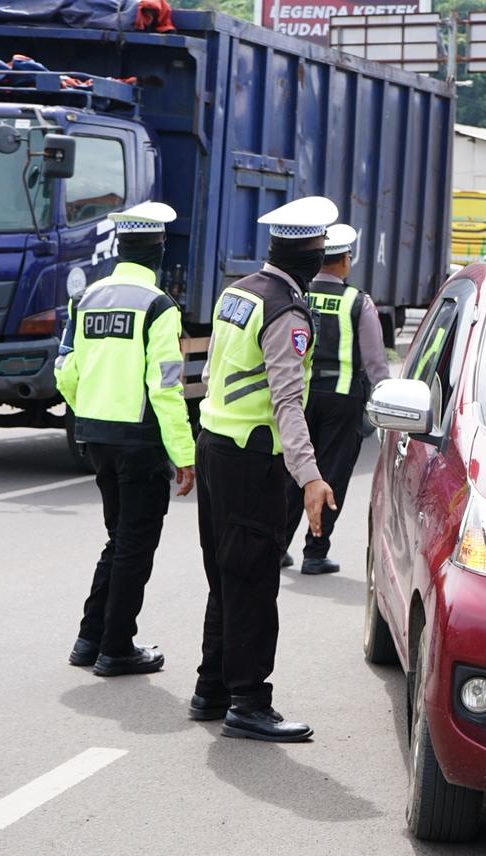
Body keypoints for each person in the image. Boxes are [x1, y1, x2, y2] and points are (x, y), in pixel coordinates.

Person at [190, 196, 338, 741]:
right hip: (252, 458)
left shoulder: (240, 291)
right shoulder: (287, 310)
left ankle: (212, 688)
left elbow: (212, 372)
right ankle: (249, 702)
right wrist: (310, 475)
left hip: (214, 445)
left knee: (226, 574)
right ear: (312, 253)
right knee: (252, 579)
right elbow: (287, 400)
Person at [54, 201, 196, 677]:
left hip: (95, 435)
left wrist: (91, 410)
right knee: (135, 546)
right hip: (140, 441)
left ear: (121, 247)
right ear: (159, 248)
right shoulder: (159, 306)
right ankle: (116, 648)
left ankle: (89, 639)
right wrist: (184, 453)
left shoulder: (86, 298)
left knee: (119, 540)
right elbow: (166, 387)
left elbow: (65, 370)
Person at [281, 223, 390, 574]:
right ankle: (315, 552)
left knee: (293, 471)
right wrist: (387, 405)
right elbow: (375, 362)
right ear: (344, 261)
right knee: (332, 475)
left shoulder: (297, 296)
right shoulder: (357, 301)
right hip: (342, 401)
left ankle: (277, 546)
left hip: (299, 398)